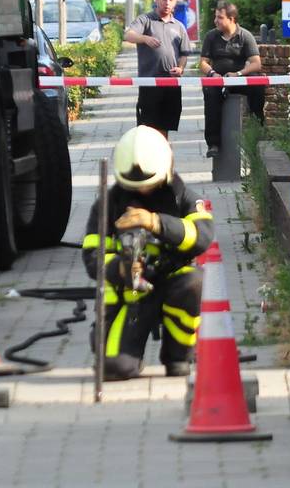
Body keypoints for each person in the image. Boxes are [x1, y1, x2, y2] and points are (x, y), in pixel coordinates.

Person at [82, 125, 214, 380]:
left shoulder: (184, 198)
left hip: (172, 281)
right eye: (136, 187)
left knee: (194, 283)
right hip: (129, 294)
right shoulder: (107, 205)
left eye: (149, 185)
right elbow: (92, 256)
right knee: (115, 368)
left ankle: (179, 356)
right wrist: (120, 268)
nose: (143, 191)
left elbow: (203, 236)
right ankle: (123, 352)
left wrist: (156, 222)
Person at [198, 1, 264, 158]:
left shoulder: (245, 36)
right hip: (218, 79)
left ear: (232, 18)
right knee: (210, 91)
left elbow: (256, 63)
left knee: (257, 83)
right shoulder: (211, 36)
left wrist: (239, 74)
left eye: (220, 18)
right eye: (215, 17)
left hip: (239, 78)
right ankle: (213, 143)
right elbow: (203, 62)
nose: (216, 21)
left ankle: (259, 131)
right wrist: (212, 73)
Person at [124, 0, 190, 137]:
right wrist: (144, 38)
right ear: (156, 0)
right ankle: (149, 158)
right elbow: (128, 35)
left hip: (171, 84)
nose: (167, 2)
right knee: (148, 128)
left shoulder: (179, 27)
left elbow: (184, 54)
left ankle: (163, 157)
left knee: (164, 127)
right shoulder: (146, 20)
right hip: (150, 83)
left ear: (175, 2)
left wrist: (180, 68)